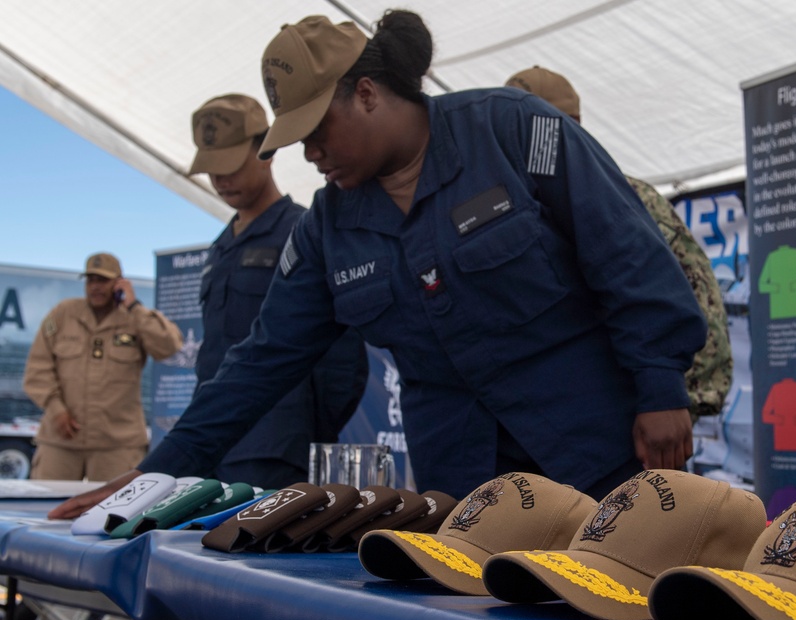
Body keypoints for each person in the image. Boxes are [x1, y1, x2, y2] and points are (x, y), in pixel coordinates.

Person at [49, 9, 706, 519]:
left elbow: (626, 255)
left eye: (316, 131)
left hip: (598, 450)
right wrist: (156, 474)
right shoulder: (327, 230)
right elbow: (257, 362)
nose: (310, 154)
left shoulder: (513, 132)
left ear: (366, 92)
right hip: (469, 487)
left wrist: (659, 385)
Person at [504, 66, 733, 420]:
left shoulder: (624, 195)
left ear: (569, 123)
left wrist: (671, 400)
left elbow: (697, 293)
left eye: (528, 126)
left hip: (631, 415)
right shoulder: (512, 210)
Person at [186, 94, 368, 489]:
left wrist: (303, 430)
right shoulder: (220, 248)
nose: (221, 180)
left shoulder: (303, 233)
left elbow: (344, 361)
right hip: (212, 448)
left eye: (230, 165)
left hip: (273, 448)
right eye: (212, 169)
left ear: (266, 152)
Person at [23, 253, 183, 481]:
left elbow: (169, 347)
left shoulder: (135, 318)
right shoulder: (63, 314)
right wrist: (56, 409)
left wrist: (134, 306)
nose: (95, 287)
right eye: (91, 280)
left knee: (116, 513)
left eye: (103, 281)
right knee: (45, 510)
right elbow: (37, 370)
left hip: (117, 445)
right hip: (61, 441)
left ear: (120, 283)